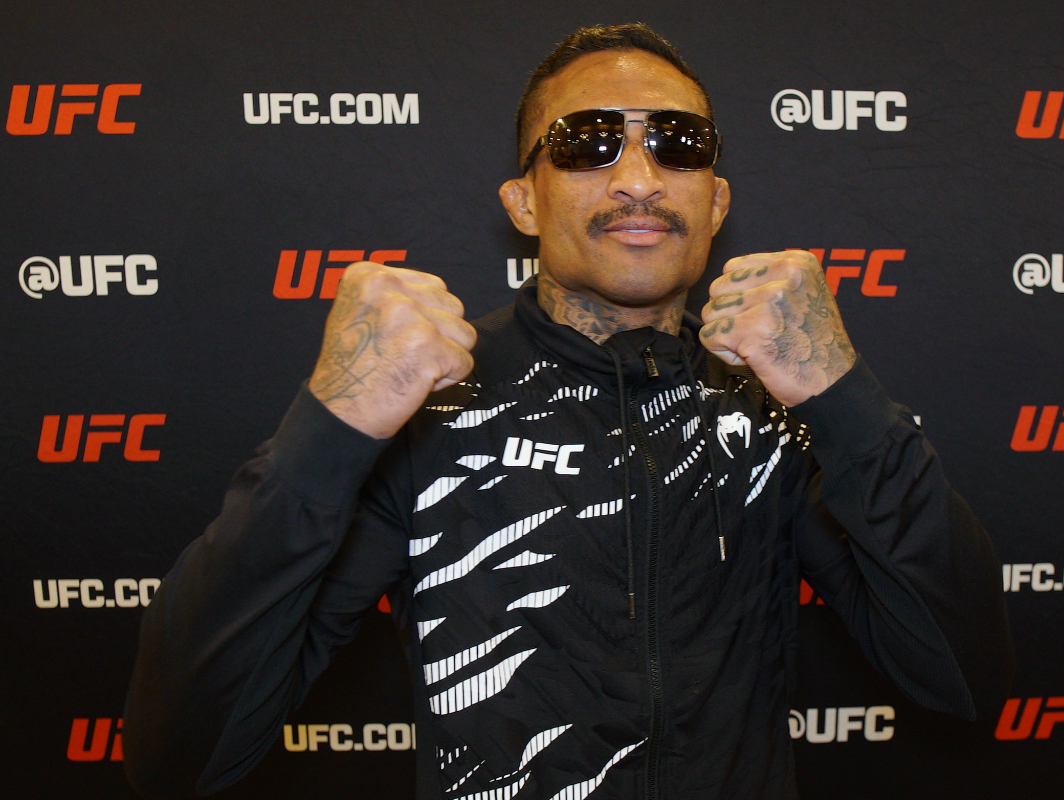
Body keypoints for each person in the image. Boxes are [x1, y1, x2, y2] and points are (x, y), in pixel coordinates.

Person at [124, 23, 1014, 800]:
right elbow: (183, 751)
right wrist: (330, 427)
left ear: (716, 202)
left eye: (678, 144)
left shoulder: (775, 402)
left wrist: (843, 395)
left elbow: (964, 680)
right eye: (588, 143)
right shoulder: (432, 405)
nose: (639, 178)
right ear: (524, 200)